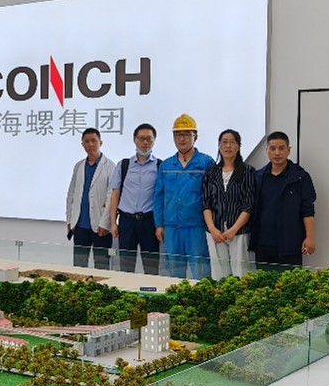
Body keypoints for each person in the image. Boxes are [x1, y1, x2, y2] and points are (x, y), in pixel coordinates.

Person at [154, 114, 215, 279]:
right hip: (171, 227)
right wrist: (159, 224)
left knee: (201, 273)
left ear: (196, 136)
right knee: (174, 274)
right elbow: (158, 197)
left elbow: (212, 197)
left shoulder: (206, 163)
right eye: (178, 134)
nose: (182, 139)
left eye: (187, 134)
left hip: (197, 227)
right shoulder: (166, 165)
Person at [248, 131, 317, 268]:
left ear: (288, 150)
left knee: (291, 281)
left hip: (290, 244)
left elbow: (307, 210)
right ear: (267, 151)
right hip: (263, 243)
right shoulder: (258, 176)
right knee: (264, 280)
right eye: (273, 148)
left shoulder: (300, 177)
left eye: (281, 148)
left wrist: (310, 237)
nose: (277, 153)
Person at [202, 129, 256, 278]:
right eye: (224, 142)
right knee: (219, 273)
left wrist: (234, 229)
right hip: (215, 230)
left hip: (239, 230)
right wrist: (212, 228)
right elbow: (206, 204)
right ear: (219, 146)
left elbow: (248, 204)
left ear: (238, 146)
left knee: (241, 272)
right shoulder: (211, 173)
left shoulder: (248, 171)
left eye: (232, 142)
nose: (228, 146)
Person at [109, 123, 161, 275]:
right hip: (127, 221)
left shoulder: (160, 166)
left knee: (151, 267)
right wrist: (113, 223)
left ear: (154, 141)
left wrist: (160, 224)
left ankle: (150, 290)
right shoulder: (124, 165)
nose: (145, 142)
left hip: (149, 221)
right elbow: (115, 194)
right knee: (126, 266)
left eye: (149, 139)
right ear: (134, 140)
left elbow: (162, 197)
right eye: (141, 138)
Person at [65, 127, 115, 269]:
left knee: (102, 266)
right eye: (87, 141)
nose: (90, 144)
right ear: (82, 144)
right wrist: (69, 220)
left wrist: (105, 223)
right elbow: (71, 194)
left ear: (101, 142)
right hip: (80, 224)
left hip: (101, 227)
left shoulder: (110, 166)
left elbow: (111, 197)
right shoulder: (79, 166)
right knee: (79, 266)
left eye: (94, 141)